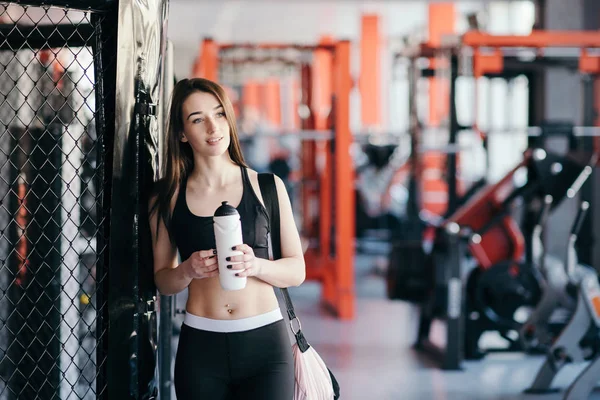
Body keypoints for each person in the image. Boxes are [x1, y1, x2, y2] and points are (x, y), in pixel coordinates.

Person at [149, 78, 306, 400]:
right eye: (197, 119)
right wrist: (187, 270)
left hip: (266, 345)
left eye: (219, 114)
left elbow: (296, 271)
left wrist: (256, 265)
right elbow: (163, 282)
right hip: (202, 347)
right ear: (181, 133)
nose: (212, 126)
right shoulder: (166, 197)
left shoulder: (266, 186)